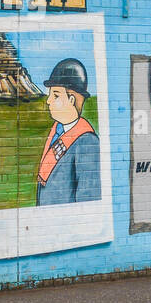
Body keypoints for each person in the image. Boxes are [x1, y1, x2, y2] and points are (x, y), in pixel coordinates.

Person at [36, 58, 101, 206]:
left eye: (56, 95)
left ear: (71, 100)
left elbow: (88, 198)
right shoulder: (57, 131)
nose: (48, 101)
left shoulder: (87, 142)